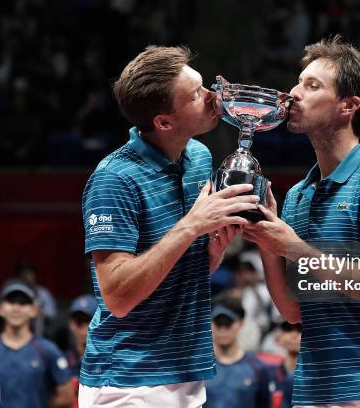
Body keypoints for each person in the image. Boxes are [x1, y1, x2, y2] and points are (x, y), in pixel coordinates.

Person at [244, 35, 360, 406]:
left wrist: (293, 247)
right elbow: (293, 310)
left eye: (312, 86)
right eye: (298, 82)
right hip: (316, 388)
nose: (293, 94)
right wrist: (267, 244)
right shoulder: (298, 194)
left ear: (349, 105)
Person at [79, 45, 260, 407]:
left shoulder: (199, 157)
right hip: (129, 380)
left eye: (204, 84)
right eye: (195, 95)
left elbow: (179, 271)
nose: (213, 97)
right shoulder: (114, 179)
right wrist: (191, 226)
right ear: (164, 122)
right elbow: (116, 296)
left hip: (185, 372)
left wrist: (212, 251)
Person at [0, 280, 74, 408]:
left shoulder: (47, 350)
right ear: (0, 308)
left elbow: (67, 396)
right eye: (11, 302)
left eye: (23, 303)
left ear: (34, 310)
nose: (16, 308)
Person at [204, 296, 272, 408]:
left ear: (240, 324)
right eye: (218, 323)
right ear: (210, 324)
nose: (223, 329)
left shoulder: (257, 367)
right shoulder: (199, 368)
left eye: (228, 323)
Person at [67, 294, 97, 408]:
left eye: (90, 321)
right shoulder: (60, 360)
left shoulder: (111, 362)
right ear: (71, 325)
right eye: (79, 322)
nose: (85, 328)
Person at [272, 321, 302, 408]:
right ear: (278, 338)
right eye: (288, 330)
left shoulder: (317, 376)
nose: (294, 335)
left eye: (300, 330)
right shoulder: (268, 371)